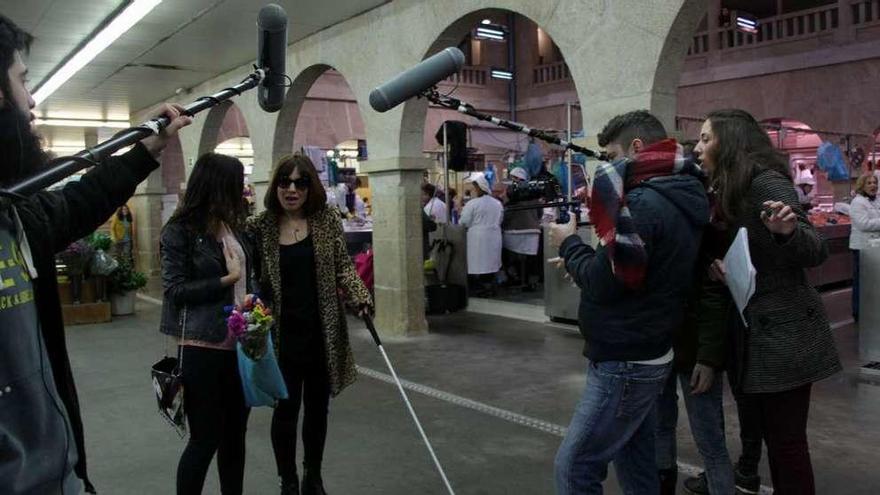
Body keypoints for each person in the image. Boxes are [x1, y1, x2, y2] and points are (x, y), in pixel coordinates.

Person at [0, 15, 191, 494]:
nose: (32, 99)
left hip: (60, 478)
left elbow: (73, 203)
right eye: (23, 81)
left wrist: (146, 150)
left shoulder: (14, 215)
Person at [548, 110, 709, 495]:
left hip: (626, 359)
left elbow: (606, 285)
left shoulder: (642, 204)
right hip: (651, 346)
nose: (608, 167)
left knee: (576, 467)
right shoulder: (683, 191)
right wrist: (590, 262)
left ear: (637, 148)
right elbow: (631, 271)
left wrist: (569, 242)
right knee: (636, 462)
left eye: (612, 155)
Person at [693, 109, 842, 495]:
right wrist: (728, 273)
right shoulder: (733, 188)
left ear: (731, 143)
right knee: (774, 440)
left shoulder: (765, 183)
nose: (697, 147)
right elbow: (755, 259)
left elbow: (815, 250)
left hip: (785, 336)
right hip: (757, 333)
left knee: (787, 444)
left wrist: (787, 231)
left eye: (706, 139)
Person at [247, 154, 373, 495]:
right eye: (285, 182)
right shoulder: (261, 226)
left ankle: (312, 475)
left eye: (300, 182)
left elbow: (343, 266)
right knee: (285, 412)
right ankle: (286, 478)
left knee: (318, 410)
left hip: (322, 333)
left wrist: (360, 295)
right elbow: (249, 273)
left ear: (310, 187)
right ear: (275, 186)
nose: (291, 189)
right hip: (282, 335)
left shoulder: (326, 220)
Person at [160, 153, 252, 495]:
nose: (241, 191)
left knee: (235, 438)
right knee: (205, 439)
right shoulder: (180, 231)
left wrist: (253, 302)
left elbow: (247, 281)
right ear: (217, 186)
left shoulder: (234, 227)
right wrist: (226, 280)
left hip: (240, 345)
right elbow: (174, 290)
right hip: (202, 347)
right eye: (235, 184)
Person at [460, 172, 504, 297]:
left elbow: (464, 222)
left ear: (478, 188)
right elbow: (500, 219)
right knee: (491, 263)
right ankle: (490, 287)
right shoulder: (497, 203)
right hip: (494, 235)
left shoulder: (472, 204)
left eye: (472, 188)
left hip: (477, 238)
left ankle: (480, 288)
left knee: (477, 263)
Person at [501, 167, 541, 290]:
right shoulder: (534, 194)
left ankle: (514, 277)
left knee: (507, 256)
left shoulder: (512, 192)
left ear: (515, 179)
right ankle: (531, 282)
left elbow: (506, 213)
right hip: (533, 231)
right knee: (531, 259)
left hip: (513, 231)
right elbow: (540, 213)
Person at [848, 173, 880, 322]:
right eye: (869, 183)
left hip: (875, 246)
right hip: (862, 248)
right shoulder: (858, 202)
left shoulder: (876, 201)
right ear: (862, 185)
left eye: (875, 183)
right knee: (862, 282)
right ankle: (859, 313)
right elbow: (864, 224)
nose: (873, 185)